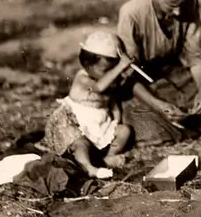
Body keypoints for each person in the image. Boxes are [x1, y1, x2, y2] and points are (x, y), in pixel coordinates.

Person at [116, 0, 201, 144]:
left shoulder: (189, 6)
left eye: (182, 4)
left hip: (169, 72)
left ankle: (177, 117)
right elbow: (129, 74)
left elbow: (196, 57)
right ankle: (169, 121)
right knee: (152, 129)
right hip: (138, 83)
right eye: (172, 4)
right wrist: (159, 106)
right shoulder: (132, 13)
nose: (178, 13)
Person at [40, 30, 134, 179]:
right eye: (105, 70)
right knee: (80, 143)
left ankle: (108, 158)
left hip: (101, 124)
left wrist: (117, 121)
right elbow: (99, 88)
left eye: (112, 70)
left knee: (125, 131)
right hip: (76, 123)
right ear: (88, 64)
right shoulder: (82, 77)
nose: (109, 74)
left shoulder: (109, 80)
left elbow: (114, 103)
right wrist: (121, 67)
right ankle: (89, 167)